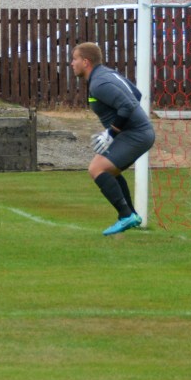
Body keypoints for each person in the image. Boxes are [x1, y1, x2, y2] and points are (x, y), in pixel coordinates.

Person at [70, 41, 155, 235]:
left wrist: (112, 132)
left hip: (136, 134)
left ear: (86, 61)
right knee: (111, 171)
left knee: (96, 168)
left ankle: (126, 215)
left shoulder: (99, 83)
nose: (72, 63)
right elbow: (136, 94)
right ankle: (131, 215)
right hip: (135, 132)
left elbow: (128, 105)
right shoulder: (105, 74)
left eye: (74, 59)